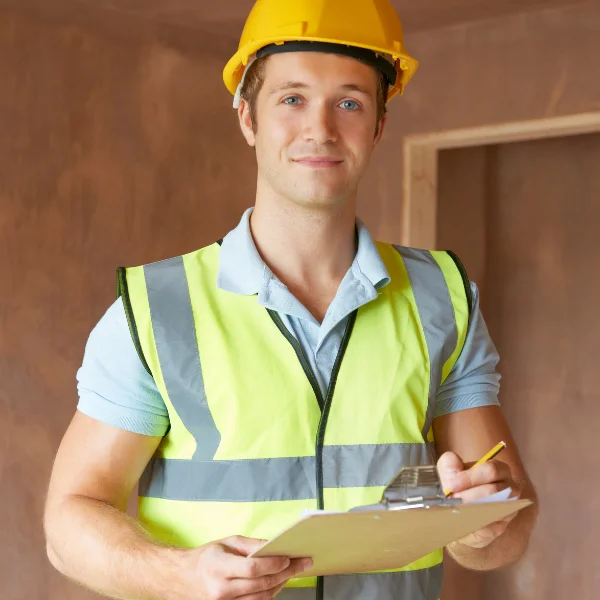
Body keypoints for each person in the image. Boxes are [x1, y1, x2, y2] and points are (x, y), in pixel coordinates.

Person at [44, 1, 538, 599]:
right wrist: (180, 573)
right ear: (247, 117)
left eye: (350, 102)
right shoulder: (157, 309)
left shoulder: (442, 298)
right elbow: (70, 519)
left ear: (379, 126)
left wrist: (481, 526)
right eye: (292, 98)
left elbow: (507, 531)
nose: (321, 129)